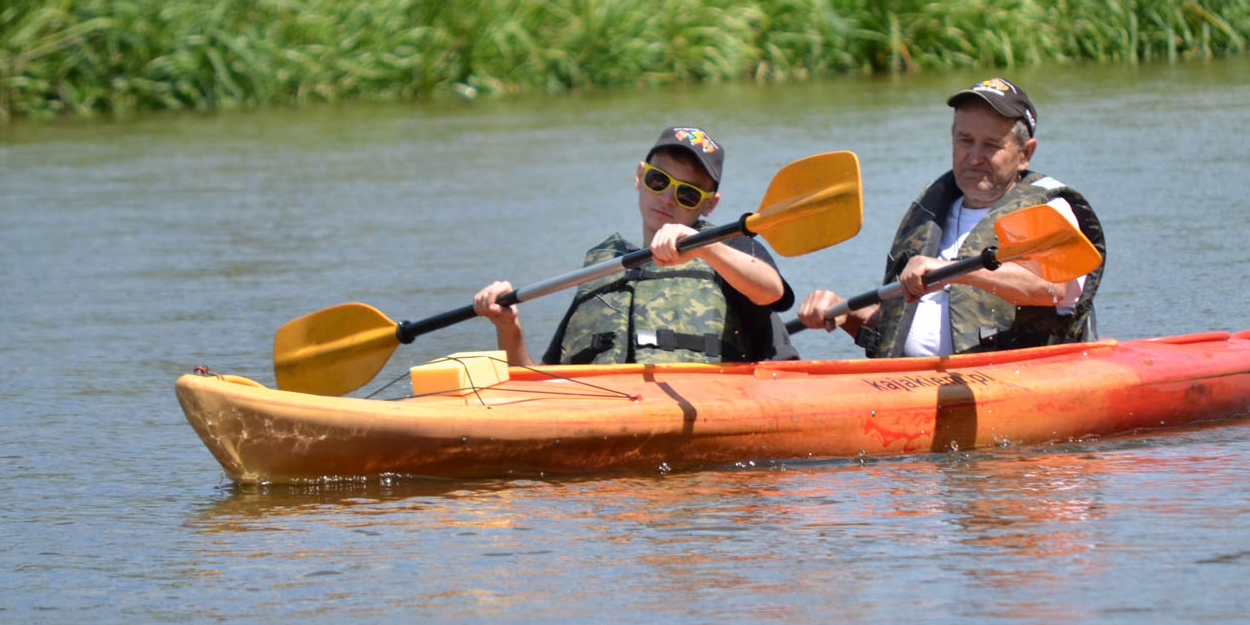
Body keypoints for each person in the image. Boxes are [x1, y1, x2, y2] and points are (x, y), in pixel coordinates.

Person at [796, 78, 1104, 356]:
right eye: (965, 140)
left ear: (1026, 154)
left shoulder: (1046, 210)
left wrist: (951, 271)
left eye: (991, 145)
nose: (974, 157)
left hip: (1013, 380)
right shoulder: (932, 213)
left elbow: (1051, 288)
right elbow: (898, 327)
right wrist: (844, 314)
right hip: (910, 383)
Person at [473, 126, 798, 367]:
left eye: (687, 194)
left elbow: (771, 292)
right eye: (659, 181)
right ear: (640, 176)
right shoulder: (604, 268)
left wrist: (704, 248)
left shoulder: (730, 247)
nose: (667, 198)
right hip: (606, 413)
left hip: (707, 402)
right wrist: (508, 327)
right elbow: (536, 388)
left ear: (709, 206)